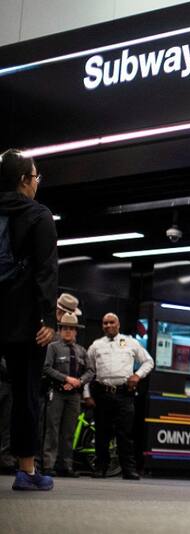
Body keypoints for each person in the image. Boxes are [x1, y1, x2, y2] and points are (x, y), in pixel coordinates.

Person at [0, 149, 58, 491]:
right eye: (36, 176)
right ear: (24, 180)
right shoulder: (38, 215)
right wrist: (48, 317)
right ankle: (26, 472)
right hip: (25, 322)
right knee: (26, 394)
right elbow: (46, 270)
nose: (37, 182)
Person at [86, 313, 154, 480]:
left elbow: (149, 362)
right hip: (102, 393)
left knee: (125, 433)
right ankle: (101, 467)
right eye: (105, 323)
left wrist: (137, 375)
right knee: (102, 433)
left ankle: (128, 470)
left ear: (118, 324)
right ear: (102, 326)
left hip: (124, 394)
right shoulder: (96, 345)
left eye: (112, 322)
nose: (108, 325)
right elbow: (88, 372)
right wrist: (87, 394)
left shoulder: (131, 342)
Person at [41, 313, 93, 477]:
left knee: (69, 432)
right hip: (56, 393)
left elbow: (91, 371)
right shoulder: (53, 347)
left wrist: (79, 381)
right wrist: (65, 378)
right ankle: (49, 465)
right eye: (65, 328)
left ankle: (66, 465)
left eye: (71, 329)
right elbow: (46, 368)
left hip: (74, 396)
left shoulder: (81, 351)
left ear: (76, 332)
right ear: (60, 330)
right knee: (52, 430)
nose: (68, 331)